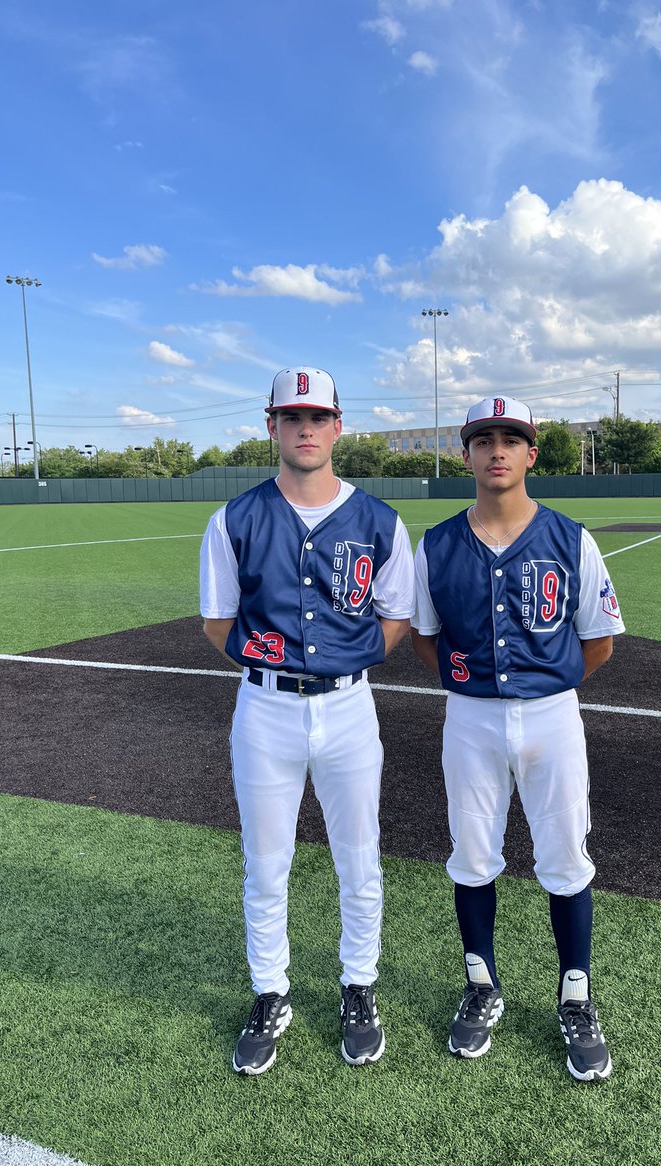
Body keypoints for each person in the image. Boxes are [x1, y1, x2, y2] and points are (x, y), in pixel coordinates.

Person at [200, 366, 415, 1073]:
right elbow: (218, 621)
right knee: (267, 865)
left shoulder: (380, 521)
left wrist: (341, 665)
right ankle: (270, 991)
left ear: (337, 425)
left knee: (360, 860)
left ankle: (359, 986)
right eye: (291, 417)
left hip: (350, 708)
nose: (305, 428)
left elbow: (395, 620)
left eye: (317, 416)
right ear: (271, 425)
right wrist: (277, 670)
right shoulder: (233, 518)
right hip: (264, 710)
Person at [410, 396, 624, 1081]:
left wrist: (544, 684)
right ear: (466, 454)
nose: (497, 449)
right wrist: (473, 684)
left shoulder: (570, 537)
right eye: (483, 439)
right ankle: (481, 987)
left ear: (532, 454)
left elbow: (598, 642)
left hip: (553, 715)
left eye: (511, 438)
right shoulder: (438, 542)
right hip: (470, 718)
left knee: (564, 858)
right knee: (472, 857)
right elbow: (423, 636)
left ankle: (576, 995)